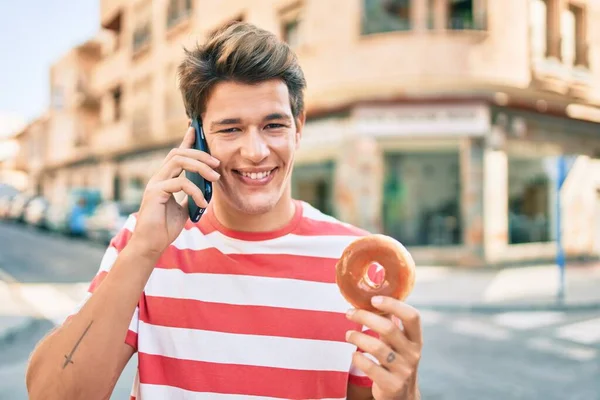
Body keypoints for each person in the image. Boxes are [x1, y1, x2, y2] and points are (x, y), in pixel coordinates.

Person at [25, 22, 422, 400]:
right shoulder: (144, 244)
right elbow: (51, 394)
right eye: (230, 129)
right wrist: (144, 250)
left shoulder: (352, 263)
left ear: (298, 127)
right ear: (197, 135)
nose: (255, 151)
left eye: (273, 126)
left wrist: (403, 392)